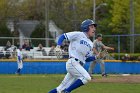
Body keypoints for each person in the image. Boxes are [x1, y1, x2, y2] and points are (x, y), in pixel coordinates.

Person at [48, 19, 98, 93]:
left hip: (79, 66)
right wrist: (58, 46)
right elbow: (63, 36)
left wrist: (97, 57)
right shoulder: (79, 34)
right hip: (73, 62)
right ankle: (67, 91)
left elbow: (86, 59)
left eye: (94, 27)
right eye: (92, 27)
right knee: (86, 77)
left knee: (59, 89)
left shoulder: (91, 44)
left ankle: (65, 90)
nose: (94, 29)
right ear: (86, 27)